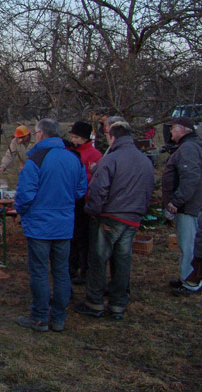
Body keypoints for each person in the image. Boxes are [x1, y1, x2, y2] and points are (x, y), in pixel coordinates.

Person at [74, 120, 154, 320]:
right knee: (122, 260)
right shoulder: (144, 160)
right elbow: (147, 189)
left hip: (110, 216)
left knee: (98, 259)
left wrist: (91, 210)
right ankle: (118, 303)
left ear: (112, 137)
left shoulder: (110, 160)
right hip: (132, 217)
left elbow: (99, 190)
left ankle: (95, 302)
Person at [14, 119, 87, 333]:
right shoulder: (74, 158)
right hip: (64, 224)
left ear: (40, 134)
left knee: (39, 271)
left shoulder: (36, 158)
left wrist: (22, 211)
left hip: (39, 225)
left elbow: (25, 195)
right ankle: (58, 318)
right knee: (61, 271)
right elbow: (81, 190)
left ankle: (39, 317)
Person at [162, 116, 202, 293]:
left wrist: (176, 201)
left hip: (189, 206)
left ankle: (191, 282)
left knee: (189, 244)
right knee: (188, 242)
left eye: (172, 128)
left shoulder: (188, 149)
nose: (170, 132)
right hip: (194, 204)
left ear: (182, 129)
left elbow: (190, 179)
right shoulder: (193, 146)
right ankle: (186, 277)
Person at [67, 121, 103, 285]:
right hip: (70, 200)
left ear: (85, 139)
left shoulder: (94, 155)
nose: (73, 140)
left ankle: (84, 269)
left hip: (85, 202)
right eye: (72, 137)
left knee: (83, 238)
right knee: (71, 237)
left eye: (77, 137)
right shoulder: (68, 152)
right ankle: (71, 266)